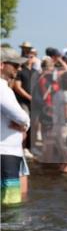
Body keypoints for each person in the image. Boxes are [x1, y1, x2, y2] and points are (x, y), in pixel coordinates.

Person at [1, 48, 31, 205]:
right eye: (14, 65)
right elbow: (21, 117)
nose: (18, 69)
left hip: (6, 152)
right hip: (6, 153)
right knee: (10, 204)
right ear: (1, 65)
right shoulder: (1, 88)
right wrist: (25, 123)